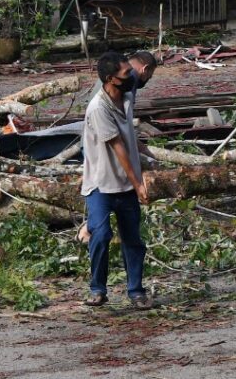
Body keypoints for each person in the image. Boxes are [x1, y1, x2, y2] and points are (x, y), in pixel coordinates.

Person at [80, 51, 152, 308]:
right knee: (101, 234)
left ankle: (136, 292)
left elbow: (130, 140)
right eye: (125, 74)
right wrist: (138, 183)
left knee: (133, 239)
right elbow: (119, 148)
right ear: (111, 79)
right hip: (101, 184)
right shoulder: (99, 108)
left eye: (131, 71)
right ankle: (98, 289)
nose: (131, 76)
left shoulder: (127, 95)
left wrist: (147, 154)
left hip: (125, 184)